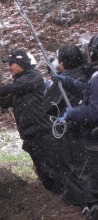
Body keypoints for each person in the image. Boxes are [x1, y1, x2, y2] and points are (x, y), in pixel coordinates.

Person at [0, 49, 62, 193]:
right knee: (42, 170)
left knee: (50, 170)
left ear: (22, 63)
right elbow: (7, 100)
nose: (9, 66)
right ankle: (51, 197)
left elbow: (11, 88)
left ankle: (61, 199)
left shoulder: (33, 77)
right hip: (30, 135)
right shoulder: (21, 84)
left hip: (41, 133)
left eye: (12, 63)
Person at [53, 35, 98, 218]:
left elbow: (94, 111)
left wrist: (73, 113)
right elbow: (88, 92)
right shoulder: (94, 77)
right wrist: (68, 82)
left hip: (94, 140)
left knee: (90, 179)